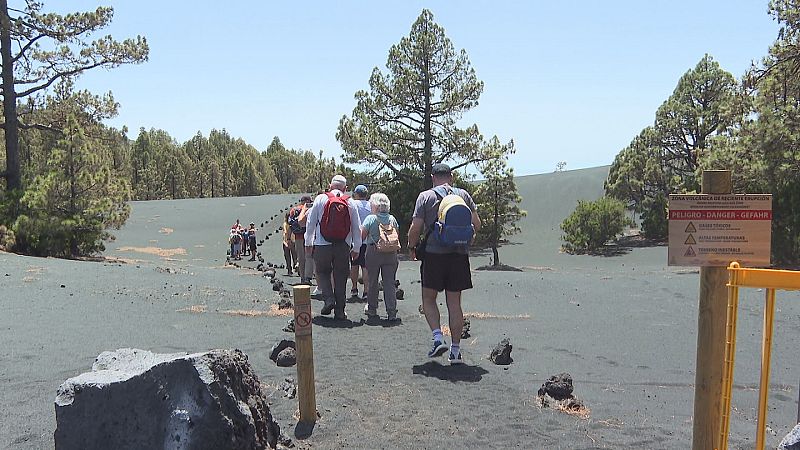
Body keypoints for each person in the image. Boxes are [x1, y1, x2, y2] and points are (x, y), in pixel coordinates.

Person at [407, 163, 481, 365]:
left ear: (433, 177)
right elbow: (477, 224)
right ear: (451, 176)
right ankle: (455, 351)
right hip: (458, 256)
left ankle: (438, 337)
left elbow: (416, 227)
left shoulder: (425, 197)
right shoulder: (463, 196)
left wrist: (412, 247)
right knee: (454, 304)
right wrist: (467, 240)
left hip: (433, 256)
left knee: (429, 299)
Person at [304, 175, 362, 320]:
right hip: (343, 245)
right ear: (345, 188)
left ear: (330, 186)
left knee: (322, 272)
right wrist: (357, 248)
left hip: (322, 244)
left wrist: (308, 243)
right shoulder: (350, 202)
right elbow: (356, 227)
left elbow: (311, 223)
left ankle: (329, 299)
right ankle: (340, 311)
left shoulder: (320, 199)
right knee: (341, 277)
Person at [361, 192, 400, 321]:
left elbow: (362, 235)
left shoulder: (371, 219)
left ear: (375, 206)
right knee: (389, 282)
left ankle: (372, 308)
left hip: (374, 251)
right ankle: (391, 311)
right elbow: (397, 234)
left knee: (372, 281)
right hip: (391, 253)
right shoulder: (392, 219)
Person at [349, 184, 372, 299]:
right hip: (367, 240)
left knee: (354, 265)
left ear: (356, 194)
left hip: (355, 239)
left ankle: (354, 288)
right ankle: (366, 291)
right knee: (365, 266)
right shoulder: (371, 205)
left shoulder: (353, 204)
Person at [289, 196, 314, 283]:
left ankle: (303, 277)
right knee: (309, 257)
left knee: (301, 257)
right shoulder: (310, 209)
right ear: (307, 201)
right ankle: (308, 277)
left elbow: (290, 223)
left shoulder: (294, 210)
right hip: (310, 235)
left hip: (298, 236)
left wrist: (289, 238)